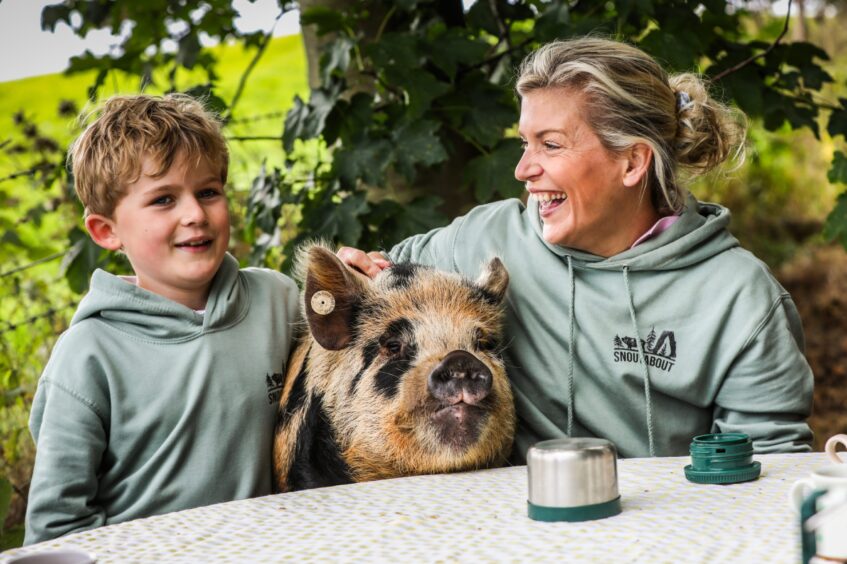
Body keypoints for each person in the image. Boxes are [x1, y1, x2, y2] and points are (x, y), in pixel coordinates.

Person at [339, 37, 814, 461]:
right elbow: (378, 278)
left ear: (632, 162)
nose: (523, 169)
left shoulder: (741, 300)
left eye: (550, 145)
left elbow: (769, 474)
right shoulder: (485, 240)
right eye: (524, 143)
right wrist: (358, 269)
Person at [25, 94, 300, 544]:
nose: (194, 215)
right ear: (106, 231)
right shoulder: (88, 356)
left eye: (208, 192)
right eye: (163, 200)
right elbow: (56, 529)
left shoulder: (278, 302)